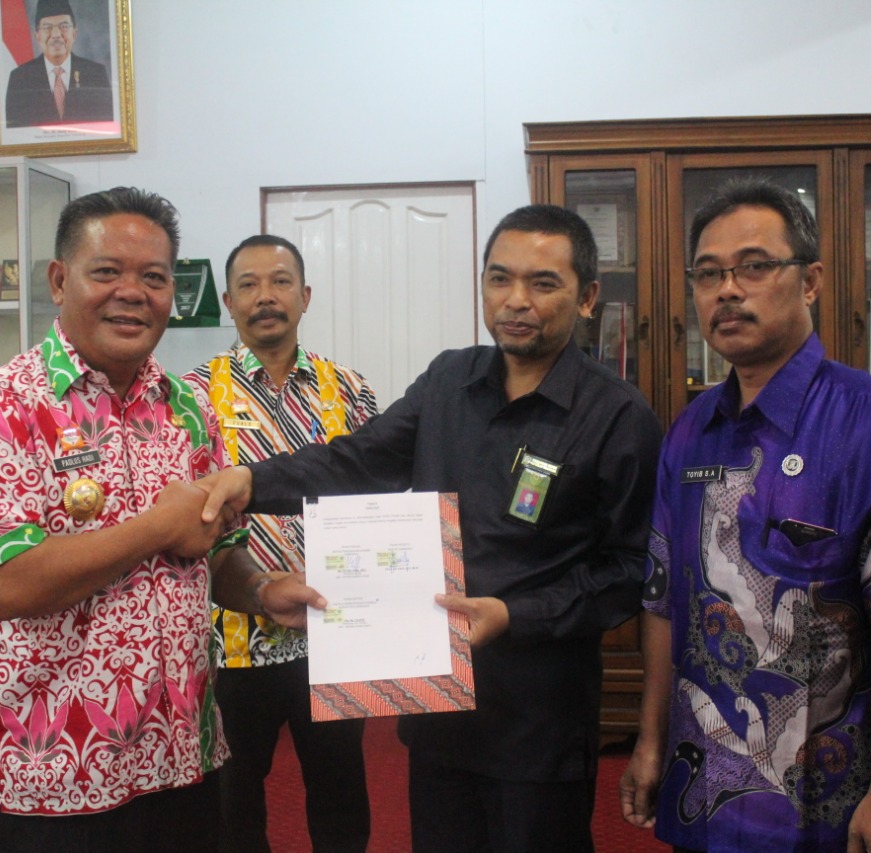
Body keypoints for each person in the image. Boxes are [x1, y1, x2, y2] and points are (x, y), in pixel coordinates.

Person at [197, 205, 662, 853]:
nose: (516, 300)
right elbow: (358, 460)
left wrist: (514, 614)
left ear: (586, 297)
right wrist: (252, 483)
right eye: (499, 279)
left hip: (539, 721)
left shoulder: (618, 415)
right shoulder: (450, 380)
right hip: (436, 701)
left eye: (543, 283)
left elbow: (628, 570)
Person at [0, 187, 324, 853]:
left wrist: (262, 590)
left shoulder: (187, 409)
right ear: (60, 281)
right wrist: (157, 527)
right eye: (107, 271)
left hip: (183, 759)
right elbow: (7, 584)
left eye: (154, 277)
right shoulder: (0, 409)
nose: (132, 293)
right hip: (56, 773)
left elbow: (218, 551)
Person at [617, 178, 871, 853]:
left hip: (823, 804)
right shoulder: (690, 431)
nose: (727, 290)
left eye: (753, 266)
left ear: (810, 281)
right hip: (702, 787)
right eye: (709, 273)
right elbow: (662, 600)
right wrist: (650, 740)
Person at [183, 234, 376, 852]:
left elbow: (373, 495)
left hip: (334, 630)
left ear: (305, 295)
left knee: (341, 796)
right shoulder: (190, 396)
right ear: (228, 302)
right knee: (232, 801)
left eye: (280, 281)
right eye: (248, 285)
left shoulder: (350, 389)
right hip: (230, 639)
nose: (265, 296)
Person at [4, 0, 113, 128]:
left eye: (64, 26)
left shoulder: (96, 74)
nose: (56, 35)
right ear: (37, 36)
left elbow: (106, 127)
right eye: (47, 28)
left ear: (74, 33)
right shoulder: (19, 79)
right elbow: (16, 133)